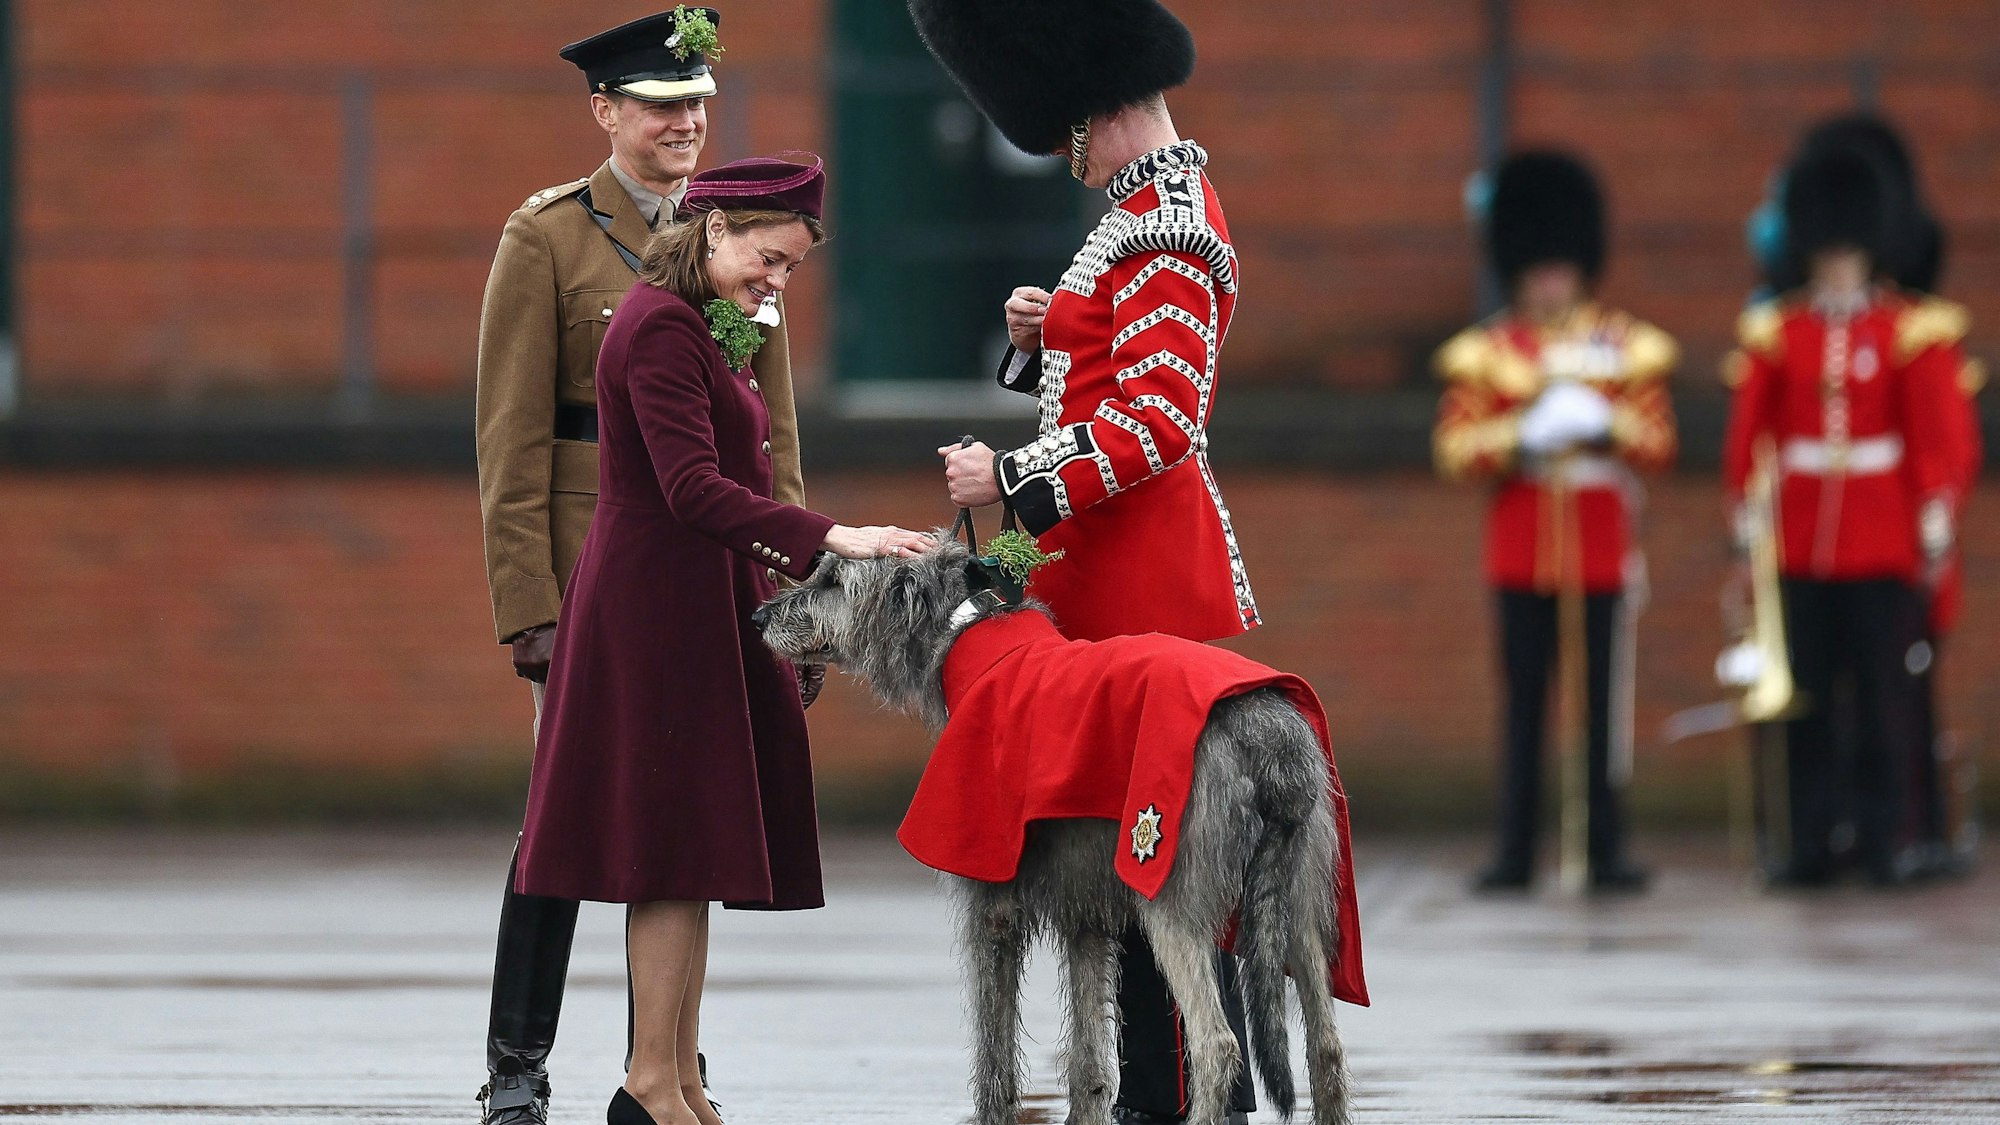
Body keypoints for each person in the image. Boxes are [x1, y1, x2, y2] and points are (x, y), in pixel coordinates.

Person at [910, 1, 1317, 1120]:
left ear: (1091, 112)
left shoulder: (1169, 225)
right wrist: (1051, 335)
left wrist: (1008, 483)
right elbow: (1113, 382)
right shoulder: (1137, 217)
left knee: (1161, 858)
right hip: (1102, 579)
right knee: (1126, 851)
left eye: (1061, 133)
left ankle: (1180, 1093)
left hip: (1136, 586)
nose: (1059, 155)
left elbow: (1156, 430)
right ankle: (1162, 1090)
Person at [512, 155, 929, 1125]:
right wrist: (835, 538)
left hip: (696, 600)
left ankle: (678, 1081)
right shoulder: (658, 328)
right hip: (655, 610)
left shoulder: (700, 324)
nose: (776, 280)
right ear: (713, 231)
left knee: (690, 852)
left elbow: (728, 477)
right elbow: (692, 489)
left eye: (790, 267)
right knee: (666, 853)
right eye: (768, 257)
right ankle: (649, 1084)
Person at [471, 9, 810, 1122]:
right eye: (660, 105)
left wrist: (795, 590)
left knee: (681, 819)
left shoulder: (747, 235)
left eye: (697, 104)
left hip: (715, 571)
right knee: (569, 823)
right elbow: (511, 437)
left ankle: (663, 1069)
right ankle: (518, 1065)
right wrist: (529, 602)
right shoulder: (548, 234)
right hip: (595, 570)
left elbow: (771, 439)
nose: (684, 123)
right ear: (605, 111)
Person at [1721, 145, 1969, 888]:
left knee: (1884, 696)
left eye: (1847, 255)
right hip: (1800, 538)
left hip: (1882, 532)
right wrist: (1744, 520)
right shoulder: (1780, 333)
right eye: (1827, 255)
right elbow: (1749, 437)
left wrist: (1932, 517)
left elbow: (1932, 434)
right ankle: (1811, 839)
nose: (1836, 269)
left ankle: (1887, 835)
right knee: (1807, 700)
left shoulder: (1908, 331)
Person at [1432, 151, 1677, 895]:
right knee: (1524, 708)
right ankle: (1515, 852)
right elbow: (1455, 448)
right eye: (1538, 267)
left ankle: (1605, 849)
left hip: (1599, 553)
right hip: (1521, 552)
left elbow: (1658, 442)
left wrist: (1607, 424)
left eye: (1559, 267)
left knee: (1601, 710)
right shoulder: (1494, 352)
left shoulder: (1624, 348)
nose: (1549, 280)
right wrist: (1520, 437)